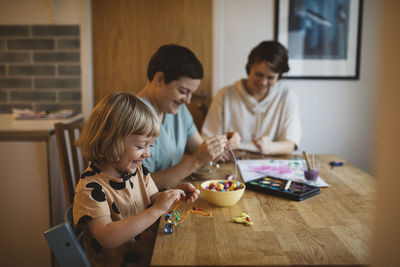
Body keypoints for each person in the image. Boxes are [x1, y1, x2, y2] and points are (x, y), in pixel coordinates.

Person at [73, 92, 200, 267]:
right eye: (141, 146)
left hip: (152, 255)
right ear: (109, 140)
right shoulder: (91, 189)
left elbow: (154, 198)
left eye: (150, 146)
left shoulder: (137, 171)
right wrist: (156, 210)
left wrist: (173, 193)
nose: (147, 154)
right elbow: (107, 236)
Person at [136, 44, 241, 189]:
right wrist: (196, 160)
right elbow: (139, 185)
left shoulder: (179, 110)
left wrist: (225, 142)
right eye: (183, 91)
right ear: (159, 79)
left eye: (191, 93)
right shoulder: (133, 117)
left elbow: (202, 151)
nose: (188, 100)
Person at [202, 40, 301, 155]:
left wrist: (269, 147)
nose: (263, 82)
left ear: (279, 76)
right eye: (258, 74)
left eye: (270, 77)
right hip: (231, 159)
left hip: (271, 159)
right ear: (249, 68)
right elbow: (208, 137)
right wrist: (218, 151)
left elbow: (291, 143)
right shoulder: (225, 95)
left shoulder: (287, 96)